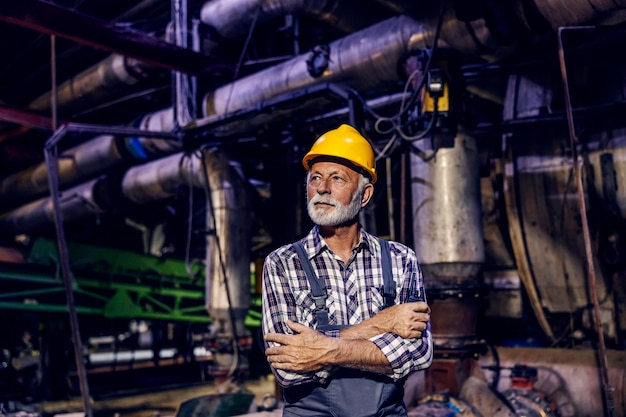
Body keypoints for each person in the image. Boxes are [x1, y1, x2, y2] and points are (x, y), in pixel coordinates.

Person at [261, 124, 433, 417]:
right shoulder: (281, 263)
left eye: (336, 178)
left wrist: (323, 349)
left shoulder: (400, 259)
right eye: (315, 178)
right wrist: (384, 324)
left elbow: (419, 352)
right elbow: (287, 369)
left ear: (364, 195)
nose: (322, 188)